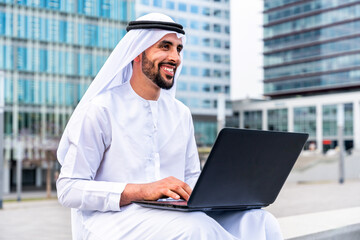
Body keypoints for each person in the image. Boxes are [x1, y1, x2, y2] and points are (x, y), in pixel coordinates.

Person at [56, 13, 283, 240]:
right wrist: (141, 190)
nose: (175, 57)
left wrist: (228, 194)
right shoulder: (101, 109)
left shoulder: (181, 114)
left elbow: (192, 178)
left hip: (174, 215)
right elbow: (69, 189)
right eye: (165, 47)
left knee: (259, 221)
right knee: (197, 228)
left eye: (178, 49)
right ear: (138, 52)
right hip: (116, 220)